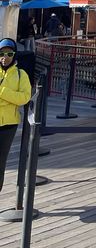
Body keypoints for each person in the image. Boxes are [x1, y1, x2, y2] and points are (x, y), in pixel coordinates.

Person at [0, 38, 32, 192]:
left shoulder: (21, 74)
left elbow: (24, 97)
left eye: (9, 53)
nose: (4, 57)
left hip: (8, 125)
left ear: (14, 55)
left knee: (0, 161)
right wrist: (9, 99)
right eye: (1, 53)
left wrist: (3, 92)